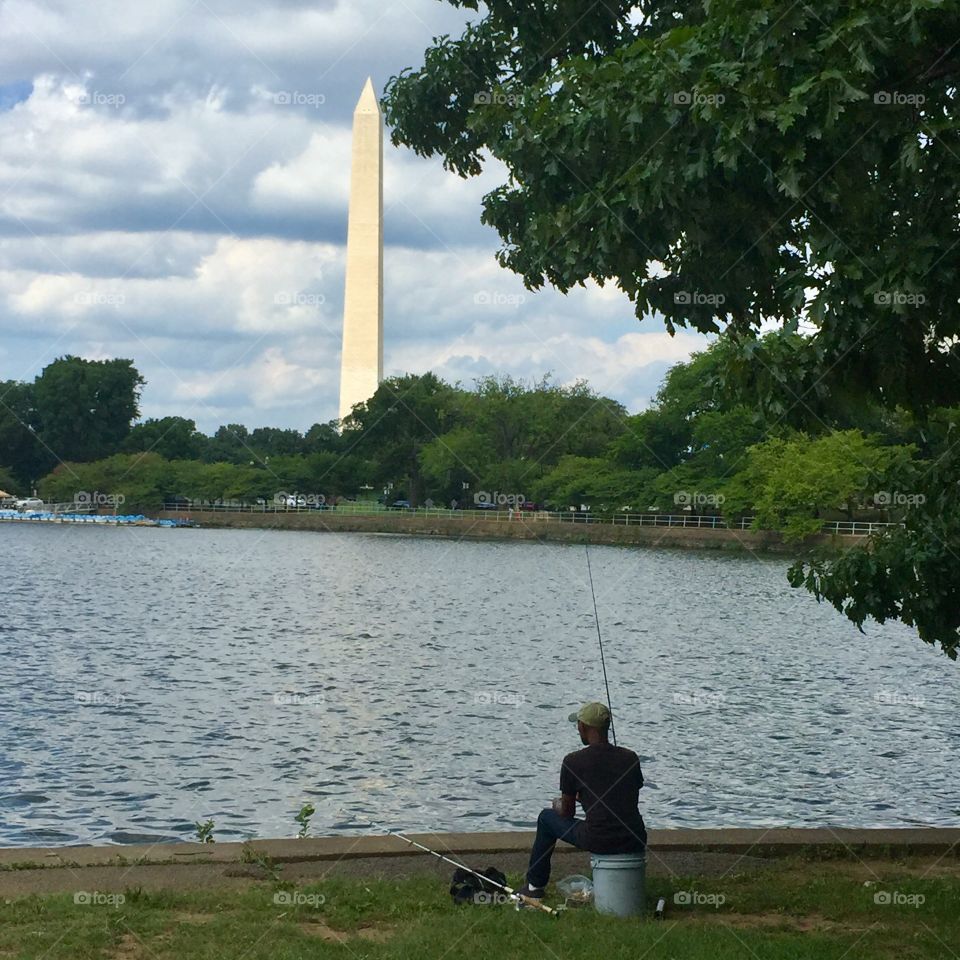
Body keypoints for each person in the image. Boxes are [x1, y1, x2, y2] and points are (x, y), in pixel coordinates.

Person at [518, 701, 647, 901]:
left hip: (599, 838)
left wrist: (558, 804)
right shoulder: (630, 757)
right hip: (634, 836)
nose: (578, 729)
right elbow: (626, 796)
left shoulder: (573, 761)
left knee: (546, 818)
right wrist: (587, 796)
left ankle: (534, 887)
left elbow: (567, 813)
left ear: (584, 727)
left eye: (578, 725)